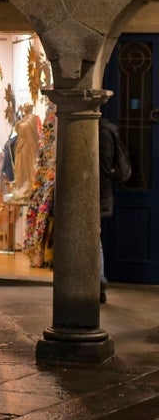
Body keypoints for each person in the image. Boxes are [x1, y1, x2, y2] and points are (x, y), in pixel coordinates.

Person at [98, 117, 118, 304]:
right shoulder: (106, 130)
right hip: (100, 192)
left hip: (97, 193)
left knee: (94, 238)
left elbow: (102, 169)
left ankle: (99, 280)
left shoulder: (102, 132)